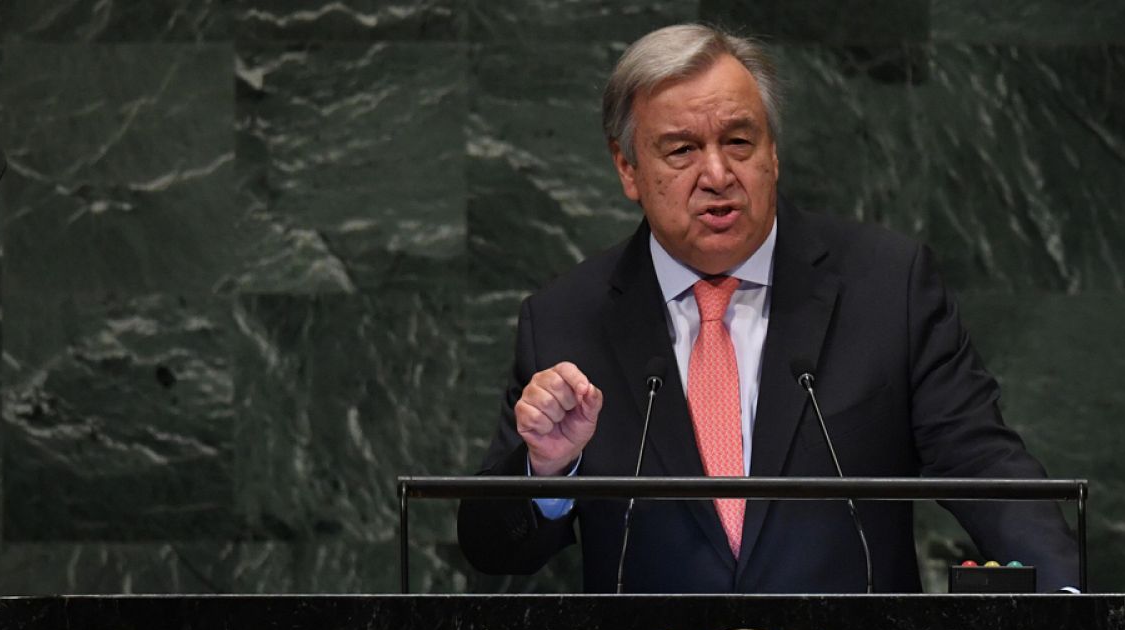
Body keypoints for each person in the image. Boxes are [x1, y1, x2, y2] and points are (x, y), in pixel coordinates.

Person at [458, 23, 1078, 593]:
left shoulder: (887, 287)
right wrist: (547, 470)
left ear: (773, 152)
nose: (718, 173)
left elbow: (983, 463)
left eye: (738, 140)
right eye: (681, 150)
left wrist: (1066, 595)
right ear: (628, 167)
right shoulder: (566, 318)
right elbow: (492, 548)